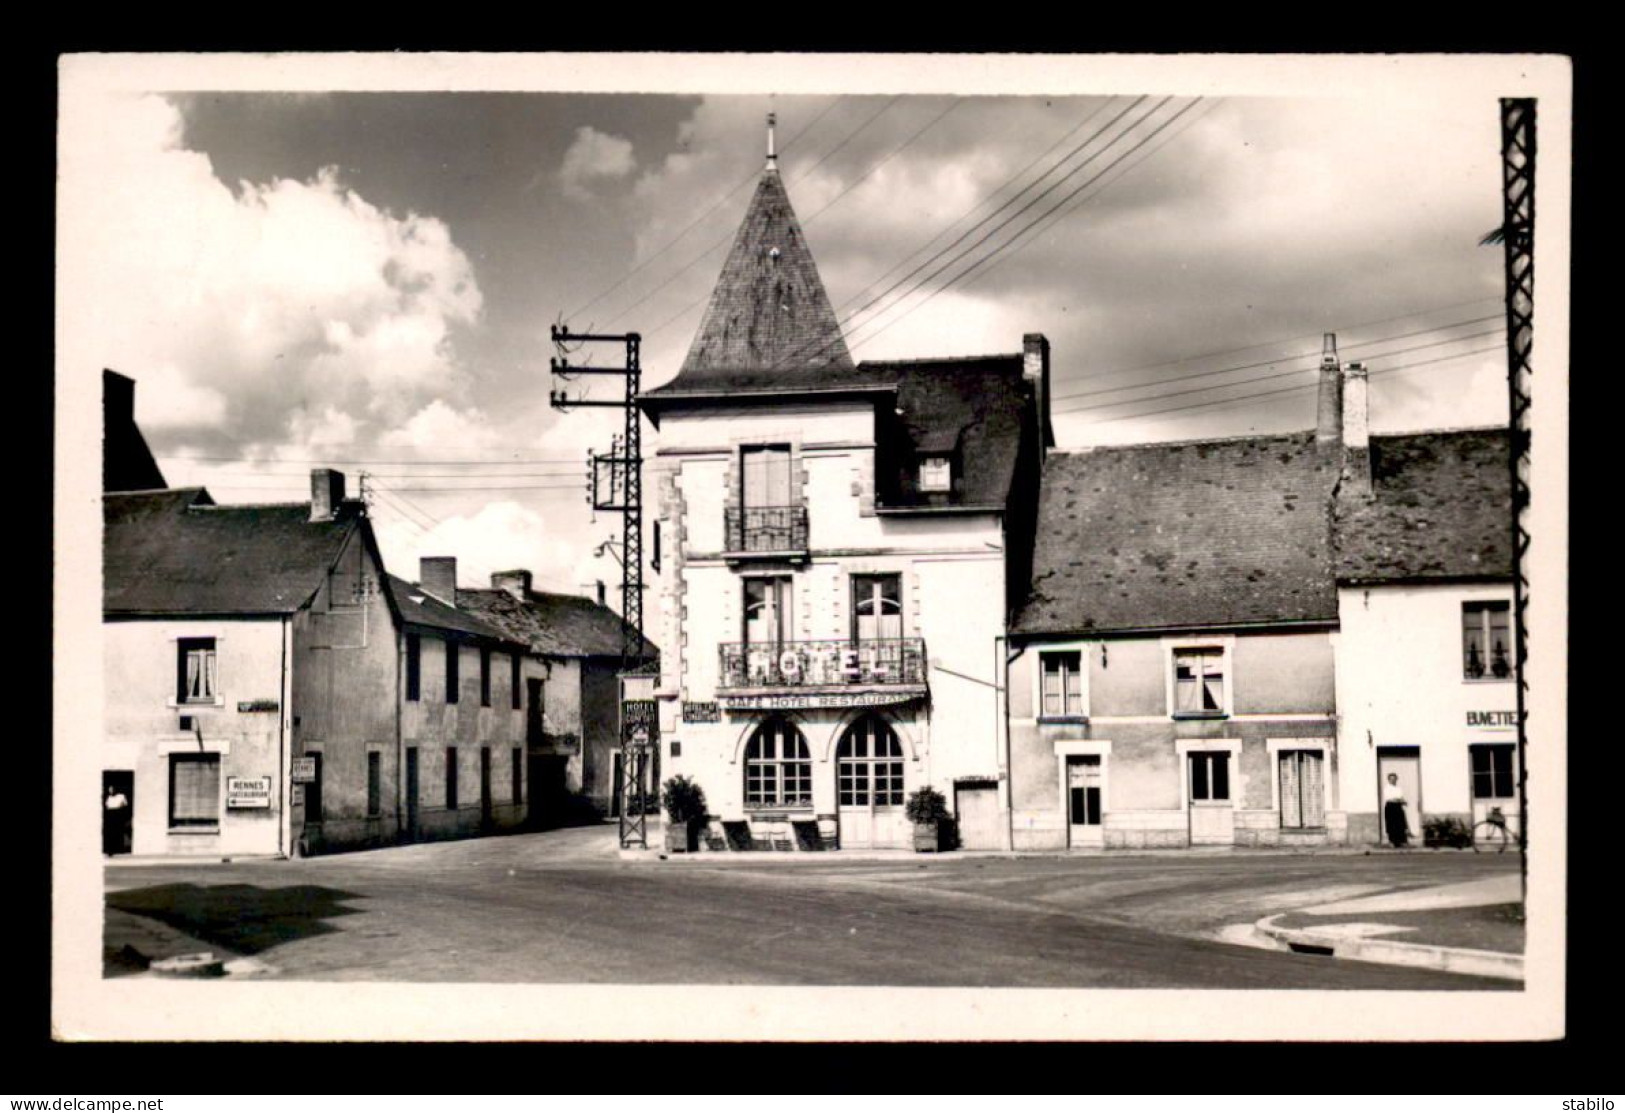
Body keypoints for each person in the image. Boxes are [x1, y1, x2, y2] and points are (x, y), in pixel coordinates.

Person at [1381, 771, 1410, 848]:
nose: (1393, 780)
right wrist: (1400, 800)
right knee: (1391, 824)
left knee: (1400, 824)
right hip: (1391, 807)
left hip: (1398, 807)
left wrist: (1403, 801)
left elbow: (1401, 797)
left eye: (1394, 779)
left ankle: (1400, 842)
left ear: (1396, 779)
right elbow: (1390, 799)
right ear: (1389, 780)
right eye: (1391, 779)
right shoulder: (1387, 788)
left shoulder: (1398, 788)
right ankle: (1392, 842)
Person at [103, 782, 130, 856]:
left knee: (119, 832)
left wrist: (121, 809)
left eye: (112, 789)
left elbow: (125, 805)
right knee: (111, 833)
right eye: (110, 790)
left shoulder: (121, 796)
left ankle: (119, 848)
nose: (111, 791)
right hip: (110, 815)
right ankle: (111, 850)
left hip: (118, 814)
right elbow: (107, 806)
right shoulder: (109, 797)